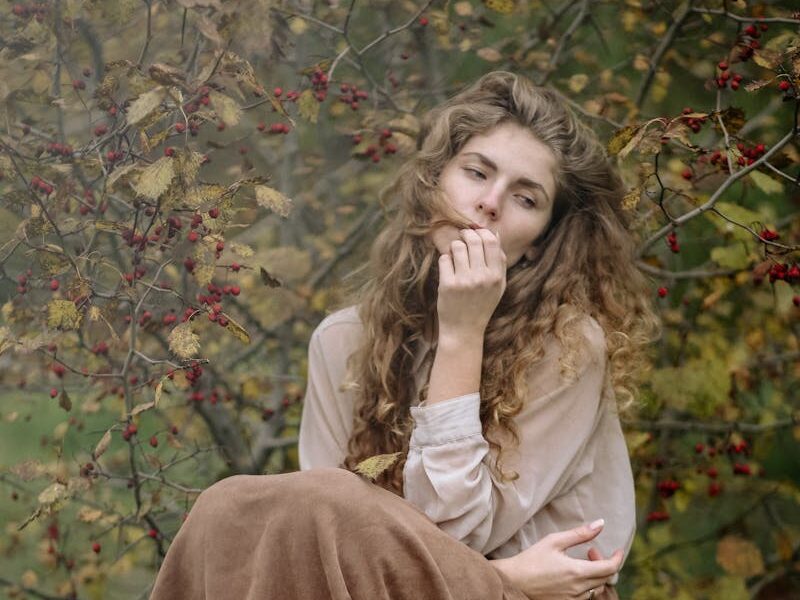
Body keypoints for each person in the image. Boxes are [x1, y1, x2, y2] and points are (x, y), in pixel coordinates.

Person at [149, 71, 660, 600]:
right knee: (228, 508)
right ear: (434, 182)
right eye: (476, 172)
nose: (490, 202)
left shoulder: (566, 347)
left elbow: (453, 530)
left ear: (537, 243)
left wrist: (462, 333)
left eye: (526, 199)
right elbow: (319, 545)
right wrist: (506, 575)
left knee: (326, 497)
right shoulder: (343, 342)